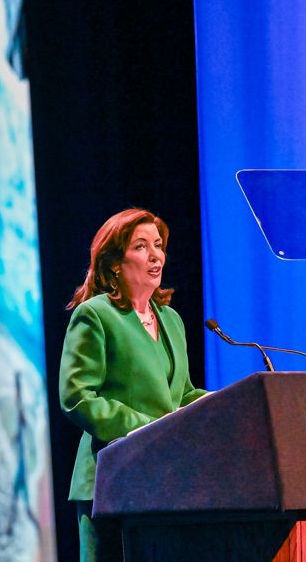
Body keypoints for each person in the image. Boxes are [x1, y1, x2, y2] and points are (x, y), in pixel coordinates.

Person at [59, 209, 208, 562]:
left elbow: (181, 394)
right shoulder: (96, 314)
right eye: (141, 246)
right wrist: (147, 429)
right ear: (114, 262)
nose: (155, 255)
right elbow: (77, 396)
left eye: (158, 245)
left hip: (166, 478)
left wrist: (222, 404)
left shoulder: (170, 319)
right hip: (111, 479)